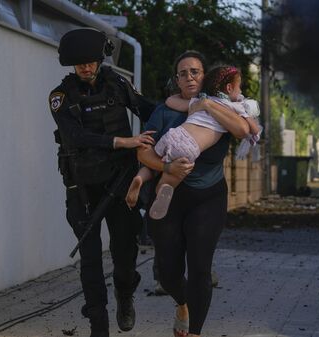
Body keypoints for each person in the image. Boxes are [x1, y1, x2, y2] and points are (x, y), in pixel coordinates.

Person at [48, 28, 168, 337]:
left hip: (120, 183)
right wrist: (122, 141)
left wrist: (182, 114)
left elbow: (144, 108)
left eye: (90, 62)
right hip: (82, 187)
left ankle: (124, 295)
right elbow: (76, 136)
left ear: (99, 59)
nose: (86, 68)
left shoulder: (116, 84)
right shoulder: (60, 96)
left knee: (124, 253)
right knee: (90, 258)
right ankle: (98, 326)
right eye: (79, 64)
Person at [137, 51, 250, 337]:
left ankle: (196, 331)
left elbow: (242, 129)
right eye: (183, 73)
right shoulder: (163, 112)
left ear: (205, 76)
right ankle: (182, 301)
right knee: (168, 273)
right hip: (170, 195)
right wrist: (166, 165)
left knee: (200, 267)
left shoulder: (221, 106)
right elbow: (143, 151)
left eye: (195, 71)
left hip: (208, 196)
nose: (189, 77)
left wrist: (209, 107)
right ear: (176, 79)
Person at [125, 65, 260, 219]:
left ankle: (139, 178)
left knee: (153, 162)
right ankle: (163, 190)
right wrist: (250, 117)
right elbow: (252, 130)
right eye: (239, 88)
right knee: (172, 176)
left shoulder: (201, 100)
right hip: (190, 147)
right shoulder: (236, 107)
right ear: (229, 88)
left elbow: (171, 101)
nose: (241, 92)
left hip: (174, 134)